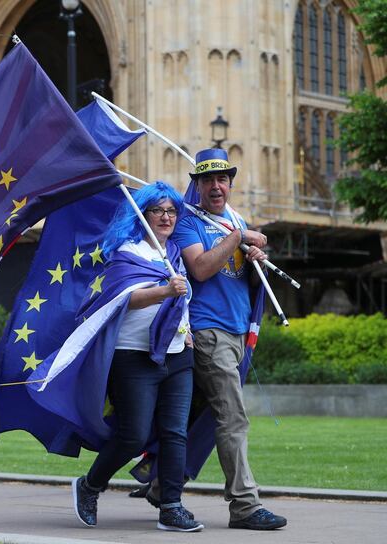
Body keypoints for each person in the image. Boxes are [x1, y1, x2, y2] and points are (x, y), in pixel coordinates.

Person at [152, 148, 287, 530]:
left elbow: (237, 274)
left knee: (197, 414)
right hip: (207, 330)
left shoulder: (234, 218)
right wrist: (238, 238)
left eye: (222, 179)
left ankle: (162, 486)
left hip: (236, 332)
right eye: (208, 179)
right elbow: (201, 267)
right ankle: (245, 506)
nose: (216, 186)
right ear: (197, 184)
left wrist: (253, 255)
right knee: (232, 416)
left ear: (230, 183)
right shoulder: (187, 222)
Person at [72, 182, 204, 532]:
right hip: (133, 356)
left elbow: (182, 300)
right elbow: (123, 299)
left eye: (171, 211)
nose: (165, 217)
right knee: (133, 434)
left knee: (175, 433)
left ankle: (171, 507)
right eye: (158, 211)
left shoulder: (174, 253)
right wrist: (164, 290)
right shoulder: (126, 252)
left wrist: (185, 328)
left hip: (177, 356)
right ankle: (90, 485)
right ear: (143, 215)